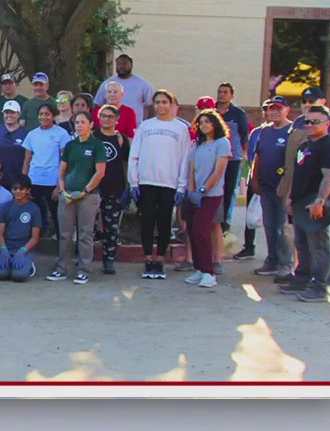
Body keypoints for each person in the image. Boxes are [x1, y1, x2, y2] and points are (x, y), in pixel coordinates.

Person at [128, 89, 194, 280]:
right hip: (147, 182)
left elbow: (185, 159)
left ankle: (160, 261)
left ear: (172, 105)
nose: (161, 106)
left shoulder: (181, 129)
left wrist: (181, 186)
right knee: (148, 221)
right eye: (157, 102)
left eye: (165, 102)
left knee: (164, 222)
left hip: (169, 184)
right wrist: (134, 182)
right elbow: (134, 155)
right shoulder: (145, 126)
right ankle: (148, 259)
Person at [277, 104, 330, 302]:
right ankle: (302, 278)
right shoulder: (306, 144)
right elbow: (297, 173)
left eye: (315, 121)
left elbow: (329, 177)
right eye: (307, 121)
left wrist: (320, 201)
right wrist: (290, 198)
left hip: (316, 202)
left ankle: (319, 287)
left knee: (318, 245)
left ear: (327, 124)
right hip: (301, 201)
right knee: (301, 243)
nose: (310, 125)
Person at [47, 111, 106, 284]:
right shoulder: (71, 145)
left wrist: (85, 191)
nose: (79, 125)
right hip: (67, 196)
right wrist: (63, 189)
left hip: (88, 197)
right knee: (65, 234)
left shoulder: (97, 146)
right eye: (77, 122)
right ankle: (61, 268)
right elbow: (62, 170)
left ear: (91, 125)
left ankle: (83, 270)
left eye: (82, 122)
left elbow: (100, 172)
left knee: (85, 234)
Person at [182, 109, 231, 288]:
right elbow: (192, 170)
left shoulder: (222, 143)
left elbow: (218, 171)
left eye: (207, 122)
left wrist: (203, 190)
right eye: (201, 122)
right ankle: (199, 269)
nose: (204, 125)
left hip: (211, 195)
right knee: (192, 230)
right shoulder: (198, 145)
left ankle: (209, 272)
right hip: (195, 195)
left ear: (215, 124)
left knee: (202, 230)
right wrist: (192, 191)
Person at [248, 97, 294, 276]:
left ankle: (286, 263)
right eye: (269, 108)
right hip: (265, 186)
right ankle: (272, 260)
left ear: (286, 110)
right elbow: (257, 156)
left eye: (277, 108)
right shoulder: (264, 131)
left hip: (282, 188)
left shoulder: (292, 131)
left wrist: (290, 187)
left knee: (283, 227)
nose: (273, 112)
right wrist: (254, 178)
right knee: (269, 224)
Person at [21, 103, 70, 239]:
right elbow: (27, 160)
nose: (43, 117)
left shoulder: (61, 133)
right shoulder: (32, 134)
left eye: (47, 114)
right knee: (33, 213)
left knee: (56, 214)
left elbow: (64, 161)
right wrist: (24, 184)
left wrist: (59, 185)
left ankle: (62, 247)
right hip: (34, 180)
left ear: (53, 115)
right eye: (41, 114)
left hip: (52, 181)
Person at [94, 104, 131, 275]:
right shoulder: (92, 137)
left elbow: (125, 165)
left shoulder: (121, 139)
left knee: (112, 228)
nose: (106, 119)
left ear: (117, 119)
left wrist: (127, 187)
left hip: (115, 189)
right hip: (93, 189)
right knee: (89, 227)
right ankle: (84, 260)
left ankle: (109, 260)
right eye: (103, 116)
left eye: (110, 116)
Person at [215, 82, 253, 240]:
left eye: (225, 92)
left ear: (232, 95)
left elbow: (244, 134)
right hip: (214, 157)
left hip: (233, 158)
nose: (222, 94)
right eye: (220, 91)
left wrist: (240, 152)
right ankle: (214, 221)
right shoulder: (213, 111)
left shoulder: (238, 114)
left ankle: (225, 223)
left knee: (229, 190)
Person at [0, 179, 44, 282]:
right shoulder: (5, 207)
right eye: (15, 189)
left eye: (21, 189)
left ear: (28, 190)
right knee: (1, 275)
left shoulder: (34, 209)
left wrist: (23, 251)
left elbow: (35, 237)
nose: (18, 192)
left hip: (24, 248)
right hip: (7, 247)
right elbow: (0, 234)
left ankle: (29, 265)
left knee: (19, 277)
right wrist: (3, 249)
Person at [96, 54, 156, 122]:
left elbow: (151, 105)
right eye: (119, 64)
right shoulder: (107, 84)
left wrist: (147, 123)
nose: (121, 66)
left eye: (124, 64)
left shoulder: (143, 84)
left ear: (131, 65)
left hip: (135, 127)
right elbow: (98, 105)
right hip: (110, 126)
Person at [0, 100, 29, 190]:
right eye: (6, 112)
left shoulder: (26, 133)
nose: (9, 115)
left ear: (18, 114)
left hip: (17, 177)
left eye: (12, 112)